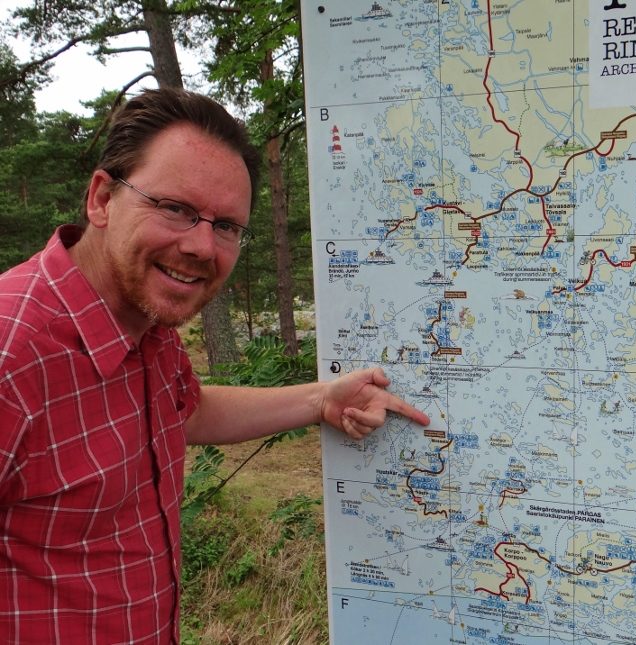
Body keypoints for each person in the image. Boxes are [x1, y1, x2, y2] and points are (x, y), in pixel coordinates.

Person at [0, 88, 430, 643]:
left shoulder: (145, 323)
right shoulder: (12, 348)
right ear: (102, 199)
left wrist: (320, 400)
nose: (203, 246)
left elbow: (188, 409)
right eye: (176, 208)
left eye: (226, 225)